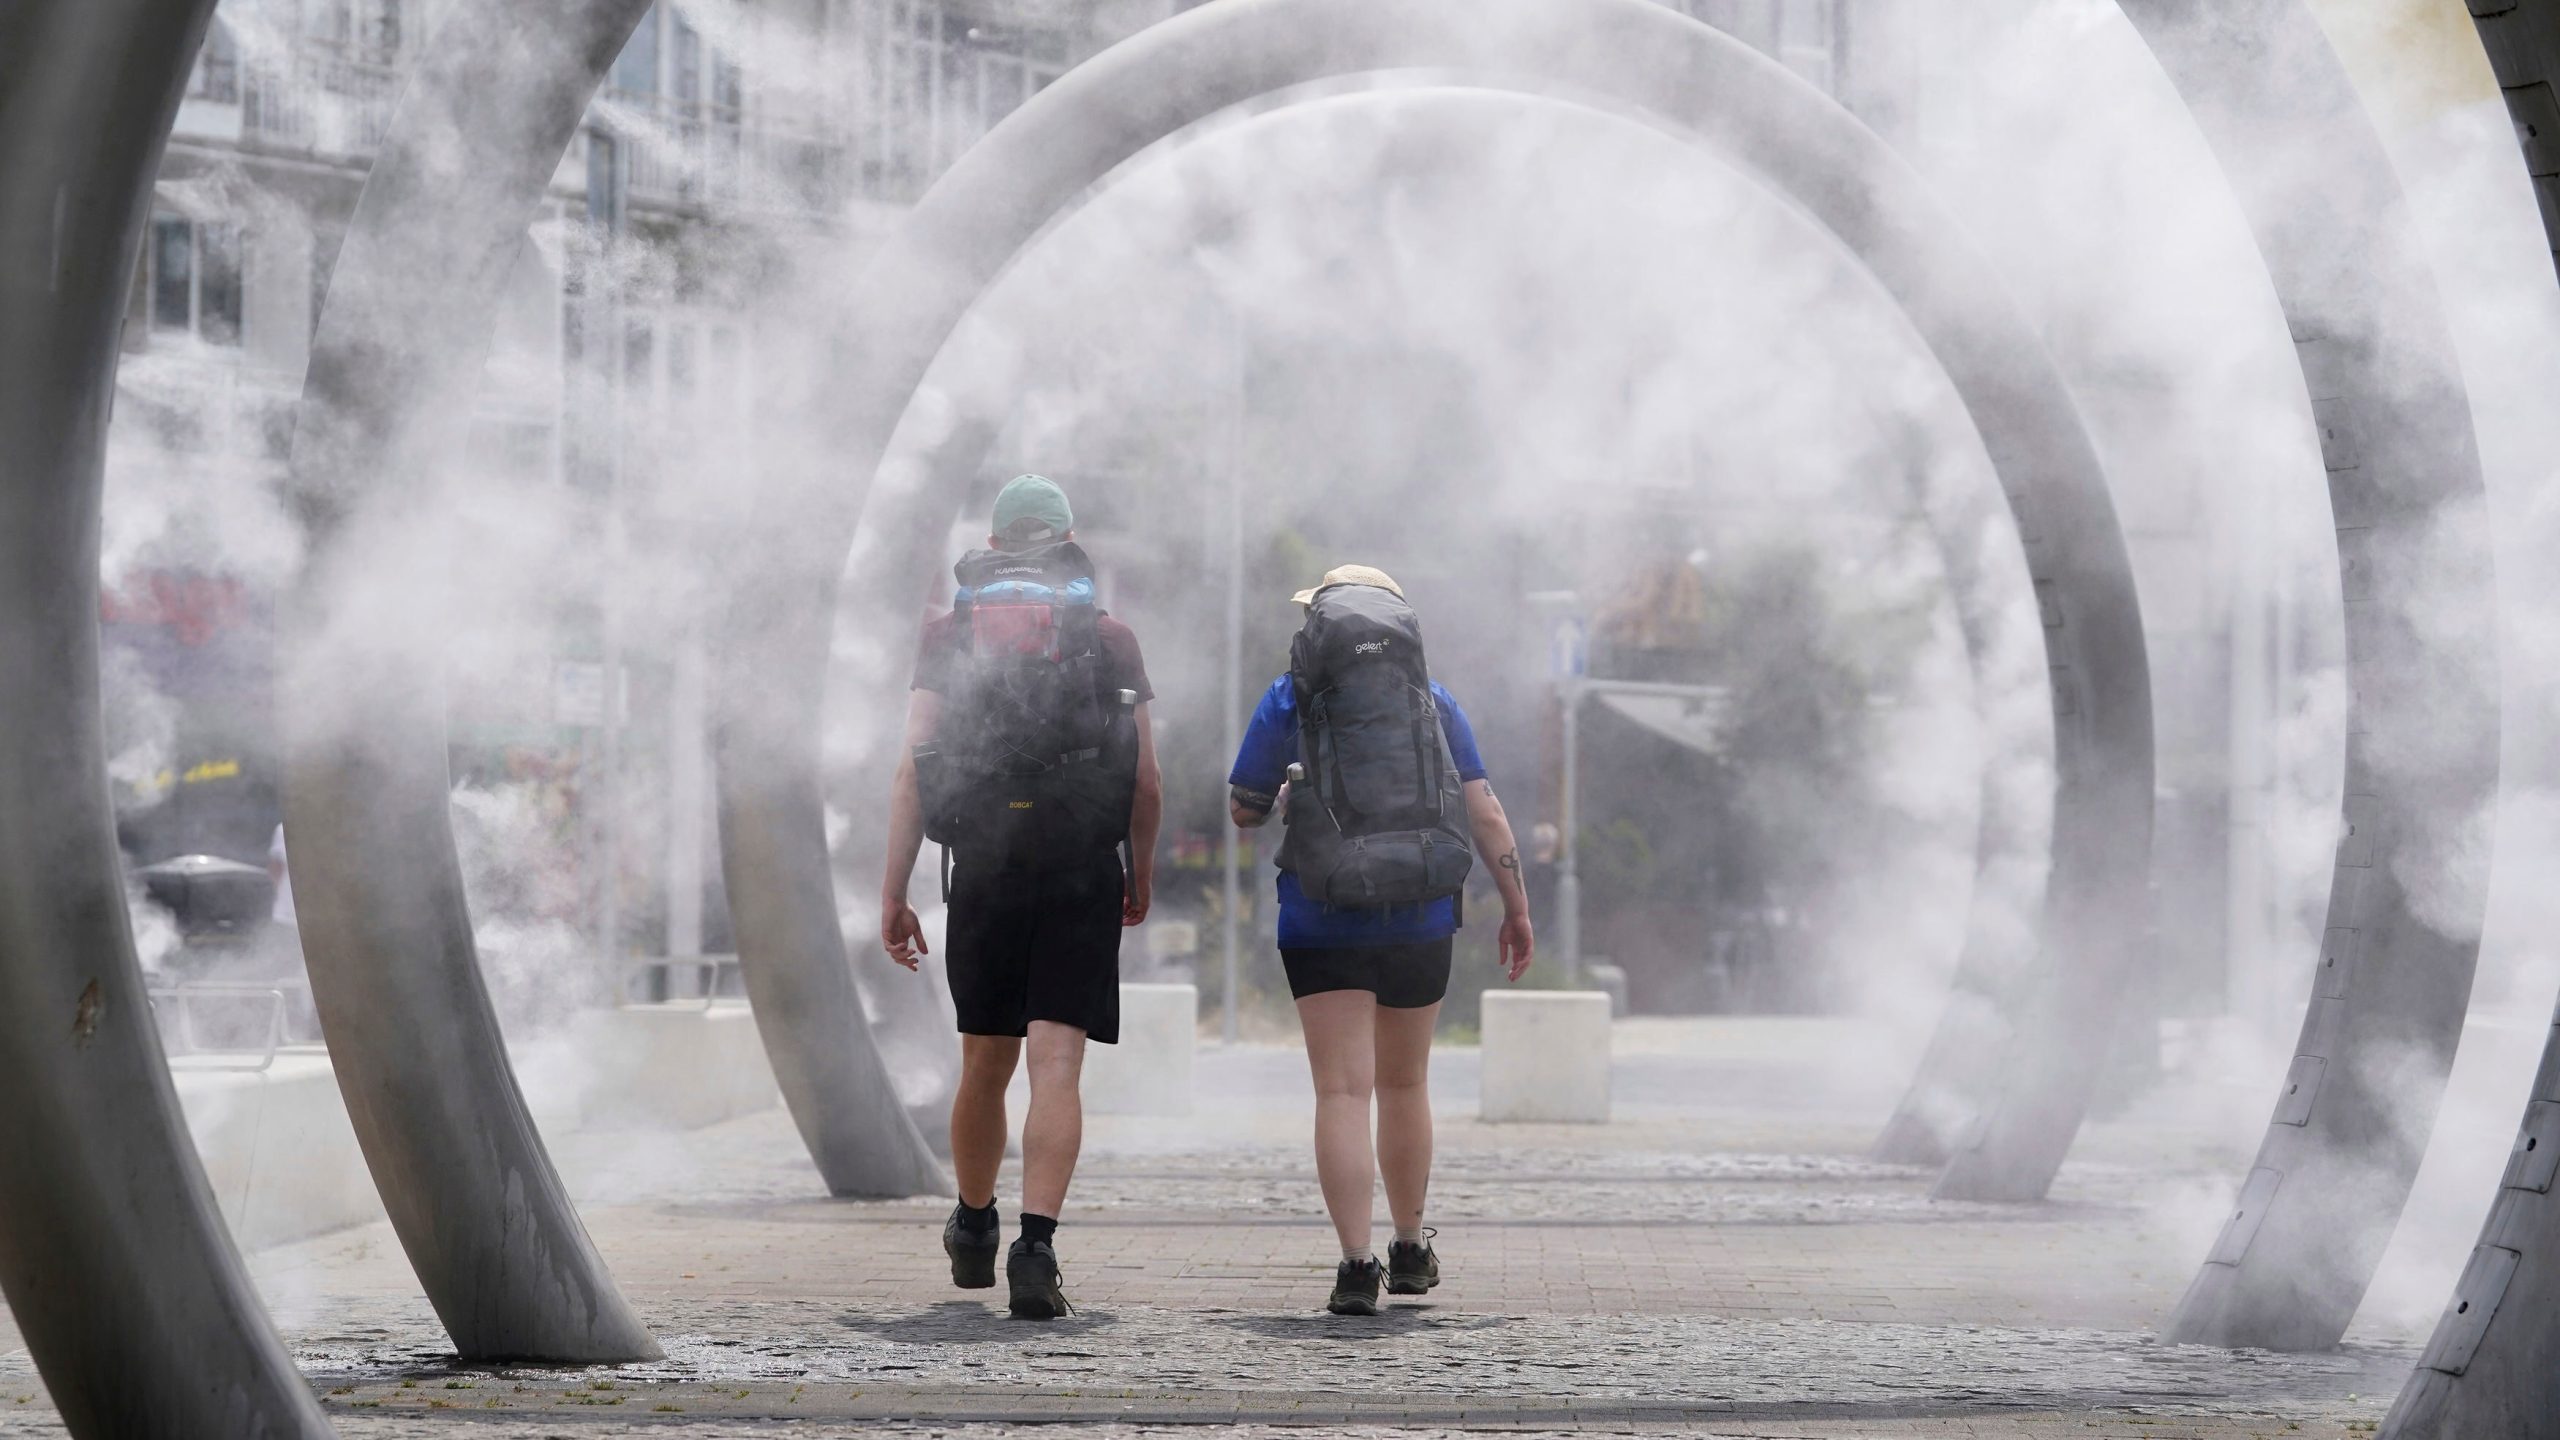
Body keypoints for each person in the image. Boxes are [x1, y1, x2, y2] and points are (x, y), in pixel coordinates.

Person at [880, 474, 1162, 1320]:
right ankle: (1035, 1250)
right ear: (1070, 540)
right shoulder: (1110, 639)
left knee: (984, 1060)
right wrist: (1138, 871)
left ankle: (972, 1224)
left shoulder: (949, 635)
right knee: (1056, 1065)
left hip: (986, 862)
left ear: (995, 545)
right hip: (1079, 862)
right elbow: (1146, 780)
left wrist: (892, 892)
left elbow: (911, 773)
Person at [1228, 564, 1534, 1315]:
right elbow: (1486, 814)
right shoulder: (1432, 700)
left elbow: (1243, 808)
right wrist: (1517, 907)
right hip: (1421, 911)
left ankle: (1355, 1266)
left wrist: (1292, 795)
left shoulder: (1286, 694)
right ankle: (1409, 1245)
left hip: (1320, 913)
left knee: (1341, 1090)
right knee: (1405, 1084)